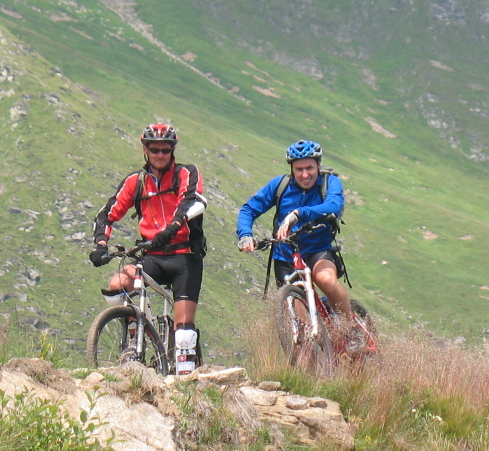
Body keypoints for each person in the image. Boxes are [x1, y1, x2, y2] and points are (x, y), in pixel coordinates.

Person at [89, 121, 207, 375]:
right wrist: (101, 244)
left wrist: (172, 228)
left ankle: (185, 378)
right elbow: (106, 214)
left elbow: (194, 201)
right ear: (145, 150)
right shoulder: (136, 182)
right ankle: (135, 335)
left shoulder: (186, 173)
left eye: (165, 150)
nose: (160, 155)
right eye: (155, 150)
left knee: (183, 331)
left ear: (172, 150)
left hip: (185, 256)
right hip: (153, 255)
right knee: (118, 283)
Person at [236, 139, 356, 336]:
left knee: (326, 280)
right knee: (300, 321)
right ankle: (311, 353)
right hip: (285, 255)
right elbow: (249, 209)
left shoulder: (329, 182)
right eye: (299, 169)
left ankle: (350, 331)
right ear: (292, 169)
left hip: (318, 249)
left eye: (310, 168)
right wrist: (245, 235)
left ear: (318, 165)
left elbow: (334, 205)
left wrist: (299, 213)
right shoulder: (280, 185)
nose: (305, 174)